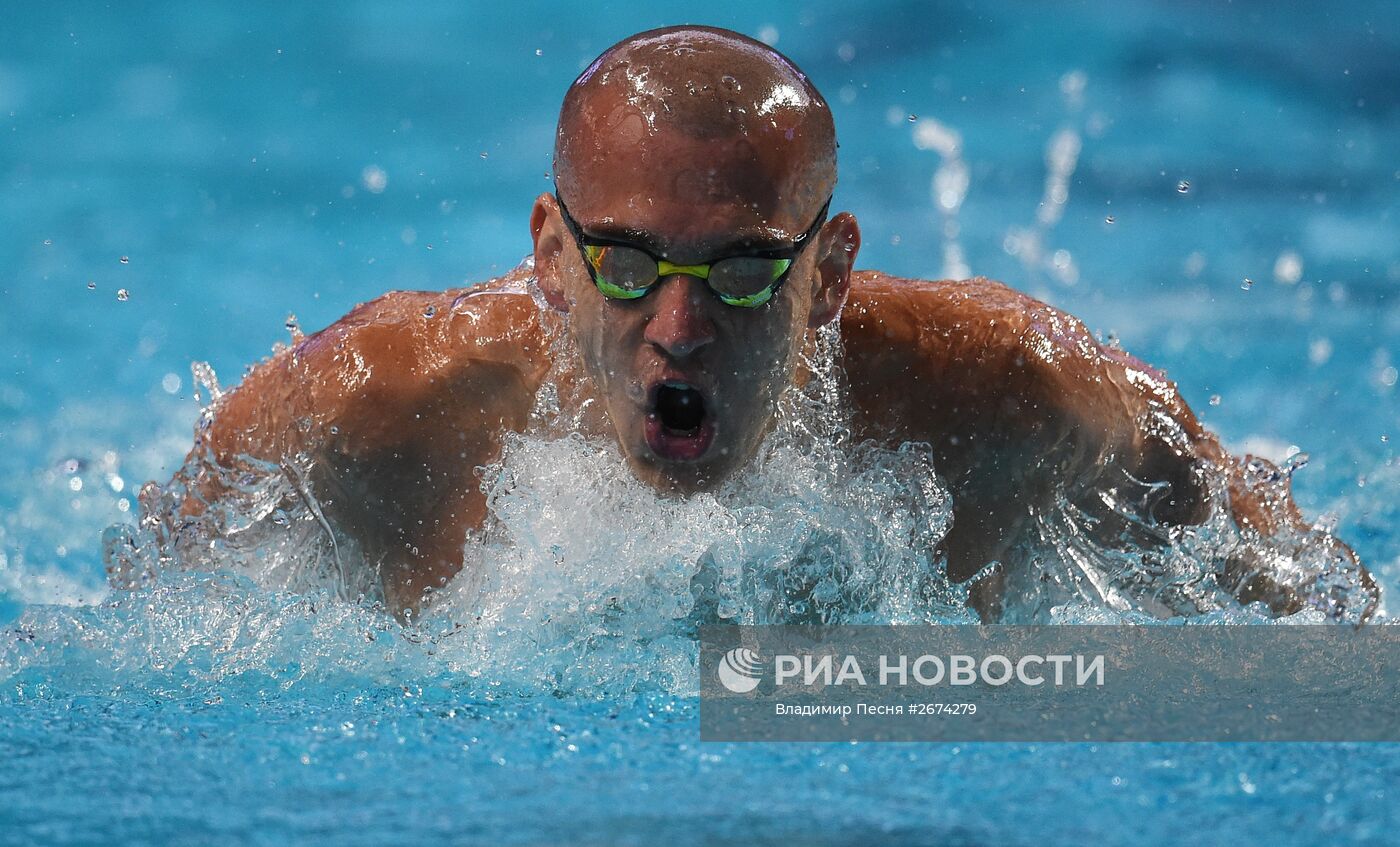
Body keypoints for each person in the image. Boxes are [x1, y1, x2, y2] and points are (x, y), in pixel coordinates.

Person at [134, 26, 1376, 622]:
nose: (678, 326)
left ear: (827, 274)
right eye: (624, 264)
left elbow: (1320, 617)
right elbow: (149, 616)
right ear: (551, 262)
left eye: (741, 271)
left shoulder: (1013, 392)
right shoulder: (363, 403)